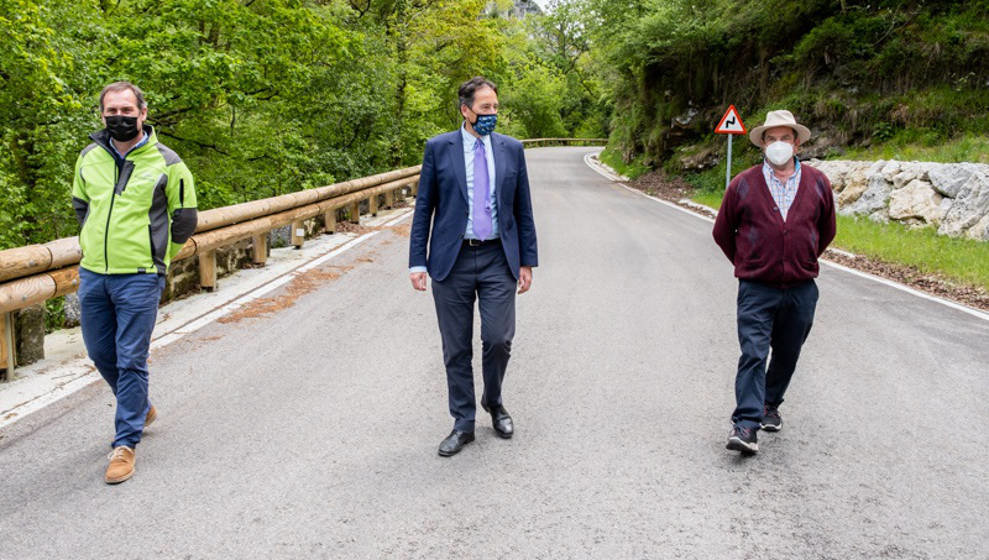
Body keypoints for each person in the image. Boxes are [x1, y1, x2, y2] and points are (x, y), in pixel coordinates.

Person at [72, 81, 198, 483]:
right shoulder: (89, 157)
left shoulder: (168, 162)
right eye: (112, 111)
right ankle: (140, 407)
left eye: (127, 110)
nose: (120, 117)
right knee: (99, 353)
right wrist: (93, 246)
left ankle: (124, 443)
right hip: (94, 273)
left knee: (130, 359)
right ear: (102, 115)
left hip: (140, 277)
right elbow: (81, 206)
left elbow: (185, 218)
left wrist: (157, 257)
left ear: (143, 113)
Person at [409, 76, 538, 457]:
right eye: (485, 109)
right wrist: (417, 260)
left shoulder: (512, 150)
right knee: (455, 347)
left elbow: (523, 209)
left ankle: (494, 402)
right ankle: (463, 422)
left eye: (495, 108)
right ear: (465, 110)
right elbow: (423, 209)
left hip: (499, 256)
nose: (491, 115)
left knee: (498, 339)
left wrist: (527, 260)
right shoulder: (439, 149)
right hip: (452, 259)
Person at [712, 109, 836, 454]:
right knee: (753, 352)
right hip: (757, 287)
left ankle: (769, 404)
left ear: (796, 144)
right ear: (762, 144)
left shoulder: (818, 183)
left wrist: (801, 259)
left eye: (785, 138)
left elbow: (826, 230)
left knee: (788, 352)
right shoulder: (743, 184)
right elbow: (723, 232)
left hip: (800, 288)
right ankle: (746, 425)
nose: (778, 144)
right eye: (771, 138)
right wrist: (748, 263)